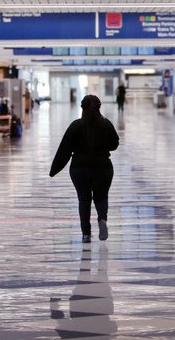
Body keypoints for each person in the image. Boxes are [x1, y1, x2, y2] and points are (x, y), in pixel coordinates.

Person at [50, 95, 120, 243]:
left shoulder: (76, 125)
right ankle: (102, 219)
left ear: (82, 108)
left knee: (84, 200)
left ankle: (86, 234)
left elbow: (65, 149)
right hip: (103, 168)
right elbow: (114, 144)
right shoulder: (106, 124)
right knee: (101, 197)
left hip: (79, 169)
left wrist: (54, 169)